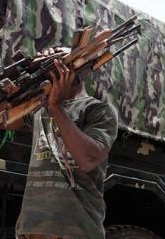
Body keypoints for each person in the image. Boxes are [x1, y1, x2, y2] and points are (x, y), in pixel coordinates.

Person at [9, 48, 119, 239]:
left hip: (76, 230)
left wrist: (55, 106)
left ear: (77, 72)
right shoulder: (39, 111)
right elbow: (4, 120)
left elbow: (87, 158)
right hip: (33, 229)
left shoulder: (98, 110)